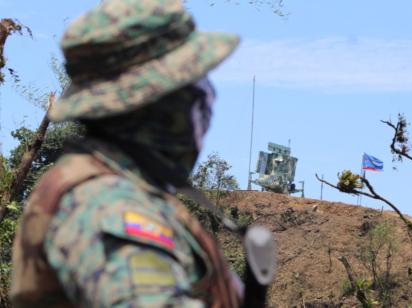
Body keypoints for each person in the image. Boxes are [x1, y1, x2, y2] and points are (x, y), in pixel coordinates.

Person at [9, 0, 245, 306]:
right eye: (196, 89)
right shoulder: (109, 207)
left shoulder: (112, 189)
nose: (207, 102)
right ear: (163, 106)